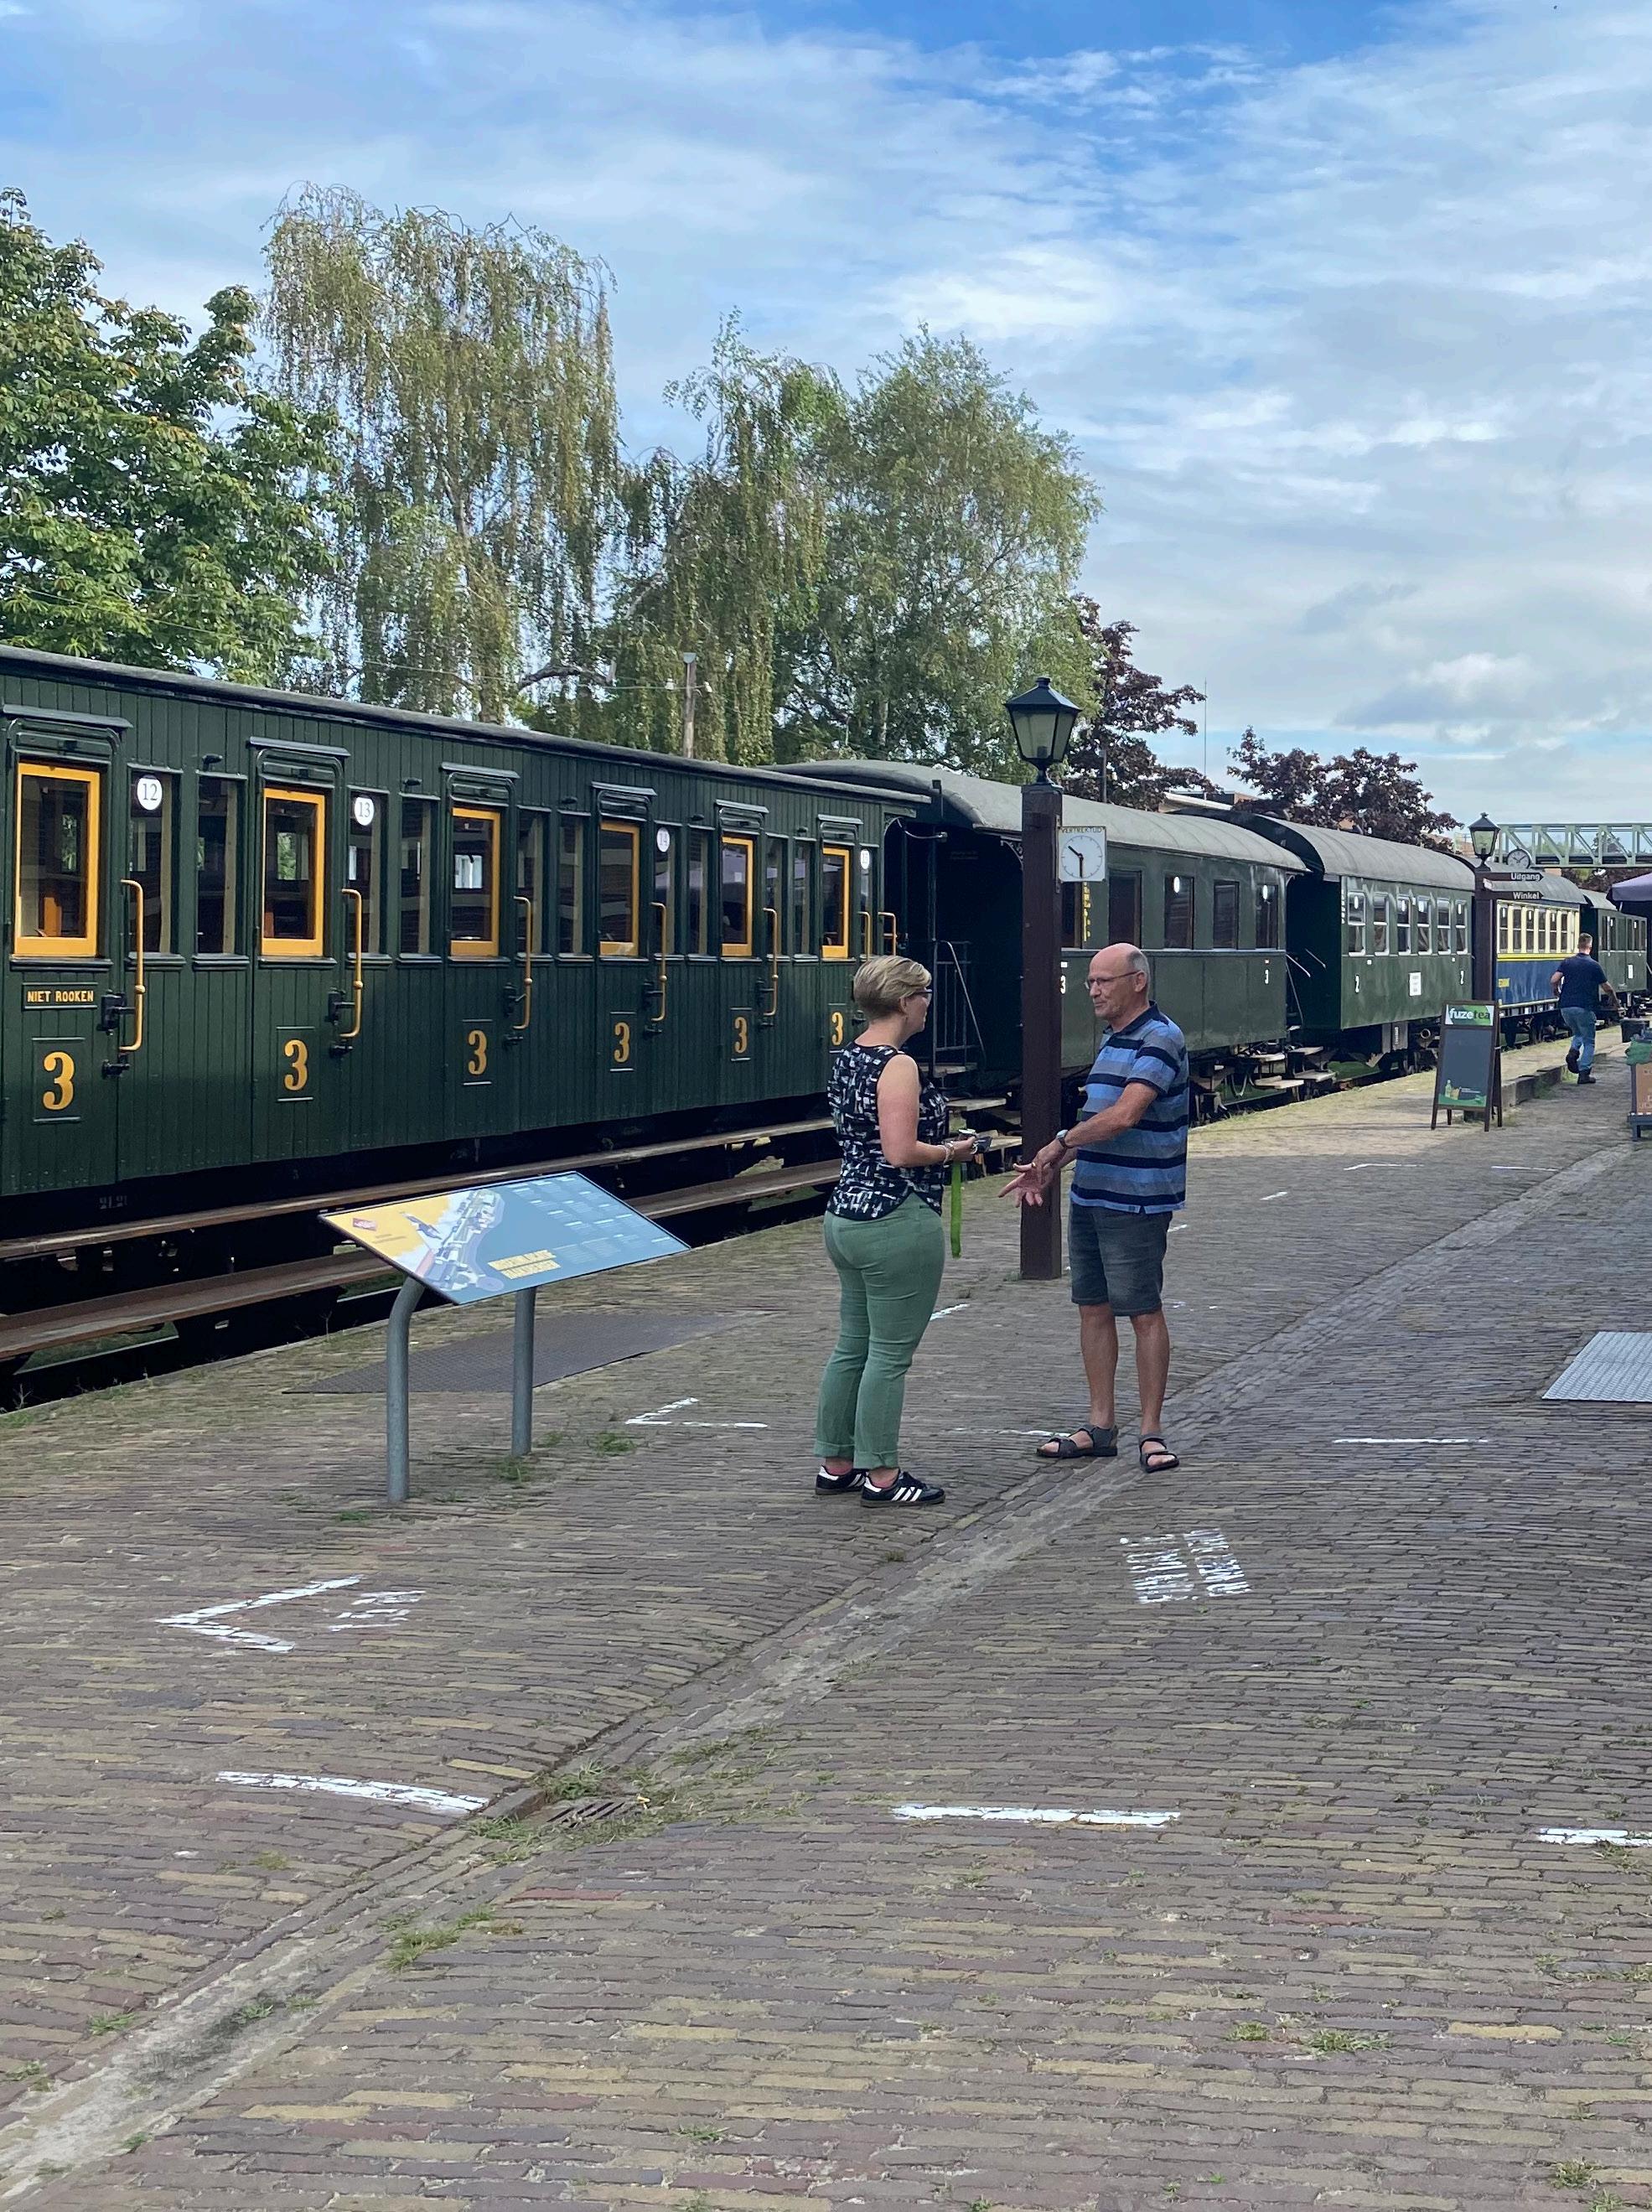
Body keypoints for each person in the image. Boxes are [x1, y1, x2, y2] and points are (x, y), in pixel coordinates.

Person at [1006, 944, 1189, 1474]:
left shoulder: (1160, 1038)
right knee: (1093, 1307)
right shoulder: (1113, 1038)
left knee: (1143, 1311)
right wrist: (1055, 1164)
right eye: (1090, 982)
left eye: (1103, 981)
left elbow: (1125, 1116)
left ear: (1138, 981)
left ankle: (1151, 1432)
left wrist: (1059, 1144)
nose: (1092, 990)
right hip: (1092, 1193)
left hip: (1137, 1199)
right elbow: (1099, 1120)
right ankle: (1101, 1426)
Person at [813, 955, 978, 1508]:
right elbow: (901, 1151)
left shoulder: (848, 1057)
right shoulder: (898, 1065)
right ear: (906, 1001)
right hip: (895, 1217)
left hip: (845, 1214)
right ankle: (882, 1475)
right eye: (924, 993)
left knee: (851, 1346)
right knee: (888, 1354)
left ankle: (836, 1463)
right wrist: (953, 1151)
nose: (929, 1003)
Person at [1551, 933, 1617, 1085]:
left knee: (1578, 1032)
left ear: (1578, 946)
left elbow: (1554, 979)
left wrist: (1556, 991)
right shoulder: (1594, 965)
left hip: (1566, 1007)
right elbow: (1607, 987)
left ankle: (1573, 1053)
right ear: (1590, 947)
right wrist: (1614, 999)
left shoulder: (1567, 962)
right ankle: (1584, 1073)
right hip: (1584, 1007)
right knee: (1589, 1041)